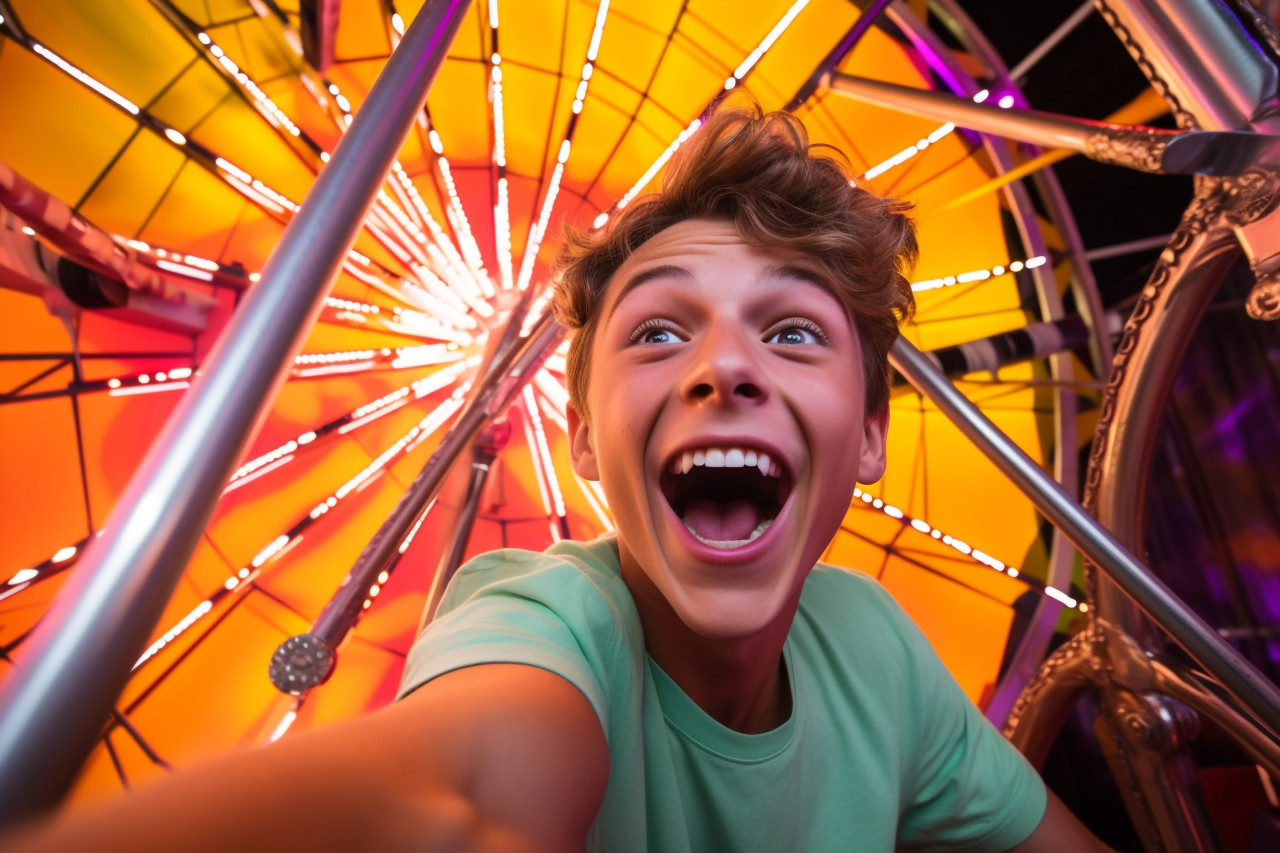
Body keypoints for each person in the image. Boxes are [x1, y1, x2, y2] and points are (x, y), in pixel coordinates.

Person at [5, 104, 1111, 852]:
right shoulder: (543, 620)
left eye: (789, 333)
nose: (723, 366)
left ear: (867, 434)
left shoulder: (871, 645)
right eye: (658, 331)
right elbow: (454, 787)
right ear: (583, 442)